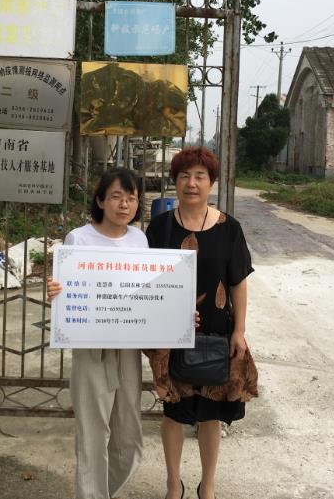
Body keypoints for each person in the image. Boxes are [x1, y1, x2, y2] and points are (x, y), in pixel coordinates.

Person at [144, 146, 258, 499]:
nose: (191, 183)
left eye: (199, 177)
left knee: (211, 414)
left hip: (217, 333)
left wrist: (239, 330)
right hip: (171, 335)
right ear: (175, 181)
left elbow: (238, 281)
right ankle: (172, 484)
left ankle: (207, 486)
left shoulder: (229, 228)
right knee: (174, 412)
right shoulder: (160, 227)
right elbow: (145, 279)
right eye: (184, 176)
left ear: (211, 183)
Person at [46, 168, 147, 499]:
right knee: (92, 438)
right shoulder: (79, 238)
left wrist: (173, 312)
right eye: (116, 196)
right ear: (101, 200)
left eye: (131, 198)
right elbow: (67, 288)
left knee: (129, 441)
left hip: (128, 348)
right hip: (90, 350)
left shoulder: (140, 240)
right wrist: (56, 293)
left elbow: (149, 291)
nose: (124, 204)